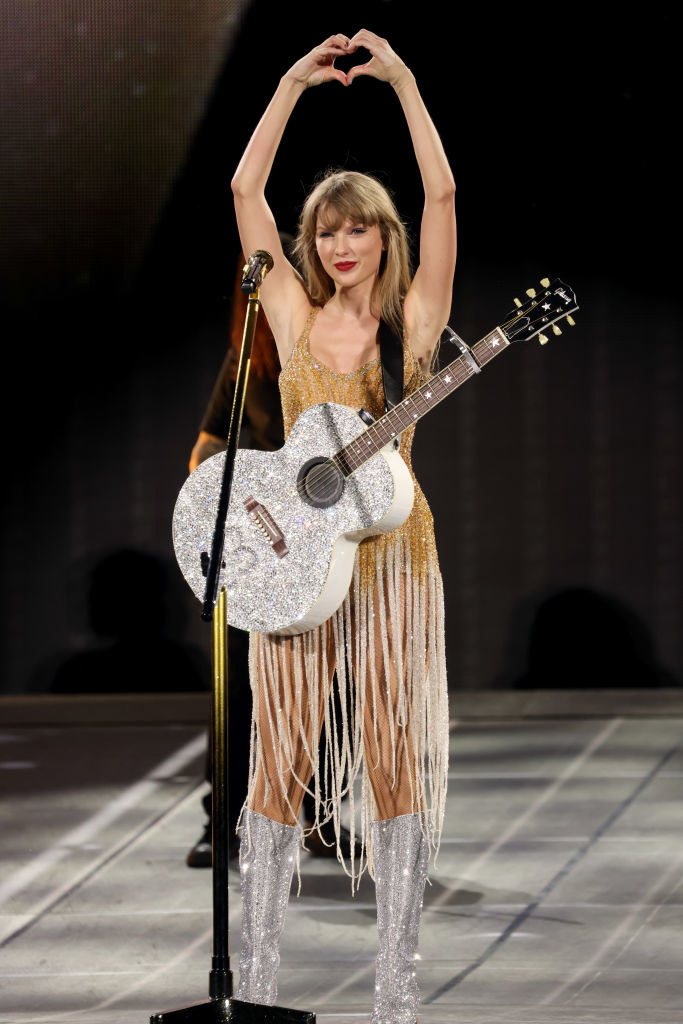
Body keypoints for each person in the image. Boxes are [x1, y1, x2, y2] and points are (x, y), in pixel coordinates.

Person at [230, 29, 456, 1024]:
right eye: (323, 226)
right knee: (275, 764)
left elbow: (443, 199)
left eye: (355, 225)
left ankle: (394, 997)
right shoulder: (283, 309)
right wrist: (286, 84)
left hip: (391, 559)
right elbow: (245, 194)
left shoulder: (411, 321)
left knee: (388, 761)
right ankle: (256, 989)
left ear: (381, 235)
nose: (336, 241)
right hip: (293, 563)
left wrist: (404, 83)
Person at [186, 244, 362, 866]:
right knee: (236, 685)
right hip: (259, 548)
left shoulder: (343, 351)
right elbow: (207, 447)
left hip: (326, 547)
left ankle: (318, 813)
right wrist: (245, 499)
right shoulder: (247, 360)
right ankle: (222, 819)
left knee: (335, 681)